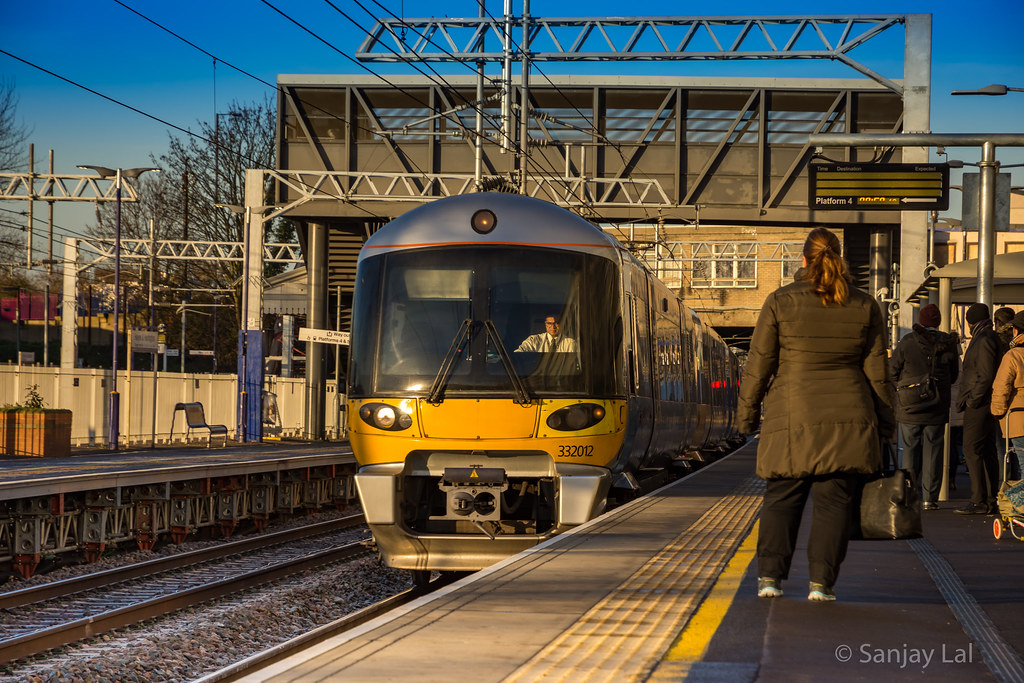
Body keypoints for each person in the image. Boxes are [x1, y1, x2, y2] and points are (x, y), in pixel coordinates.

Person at [736, 227, 894, 603]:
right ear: (839, 257)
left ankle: (770, 579)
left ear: (803, 260)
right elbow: (878, 373)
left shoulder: (779, 301)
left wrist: (747, 417)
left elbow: (759, 366)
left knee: (781, 497)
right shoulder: (864, 304)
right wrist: (887, 424)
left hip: (792, 415)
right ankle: (822, 584)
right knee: (834, 503)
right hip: (849, 418)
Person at [890, 303, 959, 509]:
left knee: (909, 450)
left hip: (910, 405)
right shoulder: (948, 343)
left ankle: (908, 496)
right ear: (937, 323)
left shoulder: (907, 341)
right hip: (937, 406)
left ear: (920, 321)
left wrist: (905, 387)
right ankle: (930, 498)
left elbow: (892, 370)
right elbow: (953, 376)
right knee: (934, 451)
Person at [955, 303, 1004, 515]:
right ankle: (989, 499)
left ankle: (979, 500)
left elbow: (985, 375)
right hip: (984, 402)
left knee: (972, 449)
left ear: (970, 321)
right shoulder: (989, 336)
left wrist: (973, 400)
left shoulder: (984, 339)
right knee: (987, 450)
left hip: (980, 403)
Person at [991, 311, 1024, 481]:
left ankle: (1020, 505)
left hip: (1018, 418)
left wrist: (997, 411)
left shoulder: (1013, 355)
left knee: (1021, 463)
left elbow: (1001, 387)